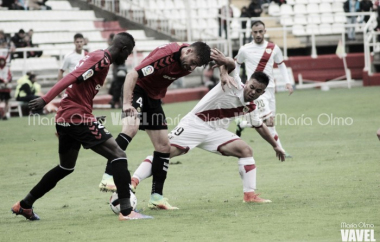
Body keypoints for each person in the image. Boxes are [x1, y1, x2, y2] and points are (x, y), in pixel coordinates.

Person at [11, 32, 153, 221]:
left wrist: (88, 116)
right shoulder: (101, 59)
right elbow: (71, 77)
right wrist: (46, 99)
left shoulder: (97, 57)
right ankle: (127, 212)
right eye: (128, 54)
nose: (126, 58)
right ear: (124, 48)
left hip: (68, 116)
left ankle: (24, 205)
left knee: (66, 167)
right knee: (118, 155)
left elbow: (80, 90)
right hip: (75, 117)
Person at [129, 55, 286, 208]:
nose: (253, 92)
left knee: (246, 150)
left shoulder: (251, 107)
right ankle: (133, 181)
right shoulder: (235, 83)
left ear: (262, 93)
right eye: (252, 87)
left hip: (215, 132)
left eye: (258, 90)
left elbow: (260, 126)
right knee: (165, 152)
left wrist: (275, 145)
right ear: (248, 82)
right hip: (194, 124)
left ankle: (249, 195)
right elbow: (231, 64)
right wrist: (224, 63)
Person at [98, 41, 211, 209]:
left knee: (164, 147)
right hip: (137, 89)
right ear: (187, 51)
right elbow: (132, 75)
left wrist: (224, 70)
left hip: (154, 98)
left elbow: (218, 59)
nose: (192, 68)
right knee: (131, 128)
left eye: (197, 66)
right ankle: (108, 177)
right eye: (193, 62)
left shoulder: (190, 59)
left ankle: (156, 198)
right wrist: (127, 104)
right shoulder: (165, 56)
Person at [234, 20, 293, 159]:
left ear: (265, 31)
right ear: (251, 33)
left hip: (270, 90)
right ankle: (281, 149)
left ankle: (242, 124)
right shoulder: (245, 49)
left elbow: (281, 64)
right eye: (255, 32)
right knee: (269, 121)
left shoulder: (273, 48)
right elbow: (236, 64)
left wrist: (288, 82)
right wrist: (236, 81)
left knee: (271, 124)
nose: (258, 34)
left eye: (261, 31)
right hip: (256, 92)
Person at [0, 55, 12, 120]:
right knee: (1, 101)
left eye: (2, 61)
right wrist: (2, 80)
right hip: (0, 87)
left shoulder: (7, 68)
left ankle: (6, 113)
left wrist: (7, 80)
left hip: (6, 87)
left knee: (6, 101)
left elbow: (10, 76)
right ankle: (1, 113)